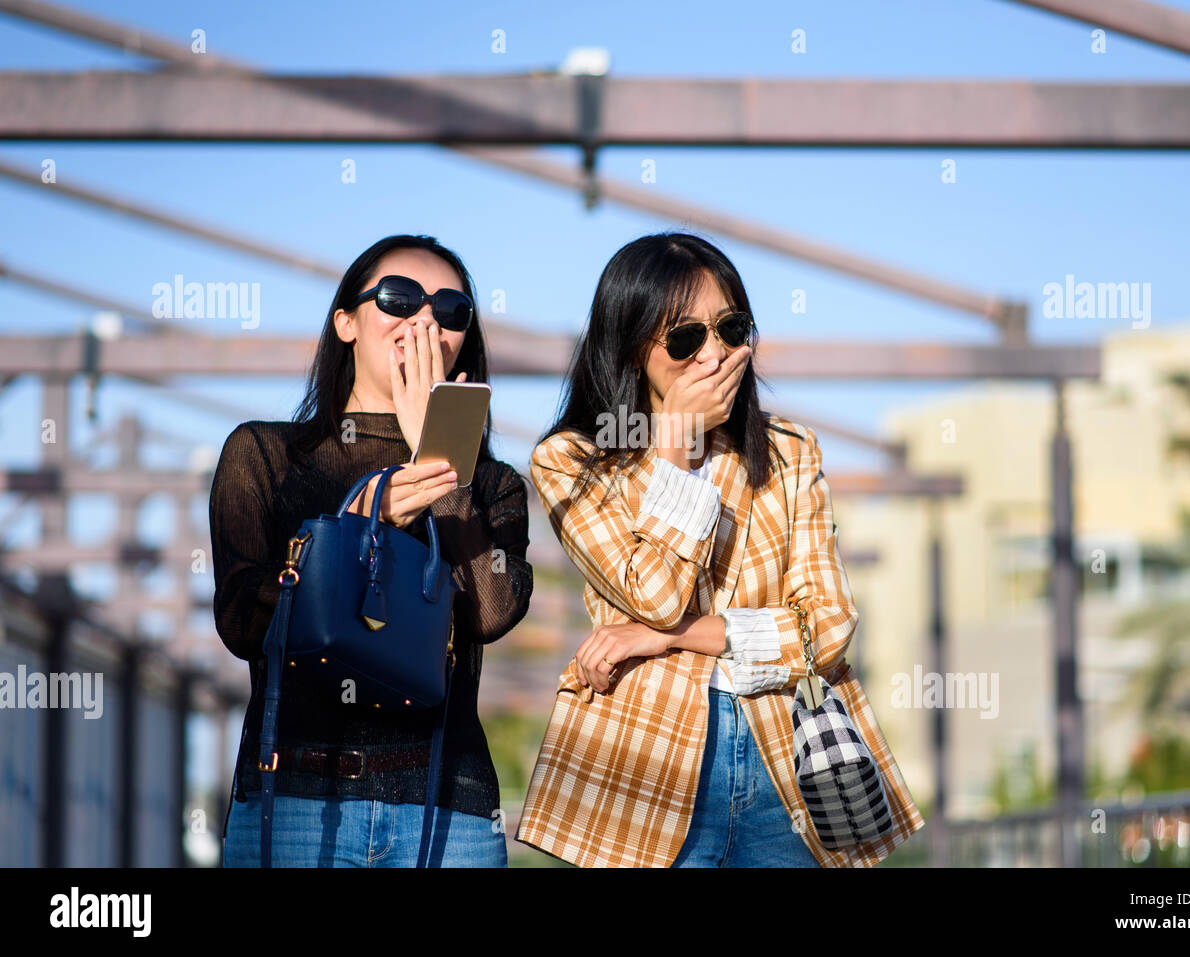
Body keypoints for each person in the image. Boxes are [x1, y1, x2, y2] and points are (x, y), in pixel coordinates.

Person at [515, 231, 924, 867]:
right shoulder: (573, 461)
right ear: (630, 348)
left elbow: (828, 629)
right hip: (642, 767)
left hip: (786, 758)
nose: (713, 354)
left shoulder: (790, 450)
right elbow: (654, 590)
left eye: (731, 329)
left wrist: (666, 638)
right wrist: (676, 443)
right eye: (684, 338)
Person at [211, 234, 532, 867]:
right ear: (346, 323)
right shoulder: (265, 456)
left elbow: (490, 613)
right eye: (399, 298)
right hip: (299, 798)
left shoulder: (491, 484)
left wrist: (441, 456)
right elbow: (244, 620)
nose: (423, 322)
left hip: (446, 809)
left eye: (449, 310)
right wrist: (358, 522)